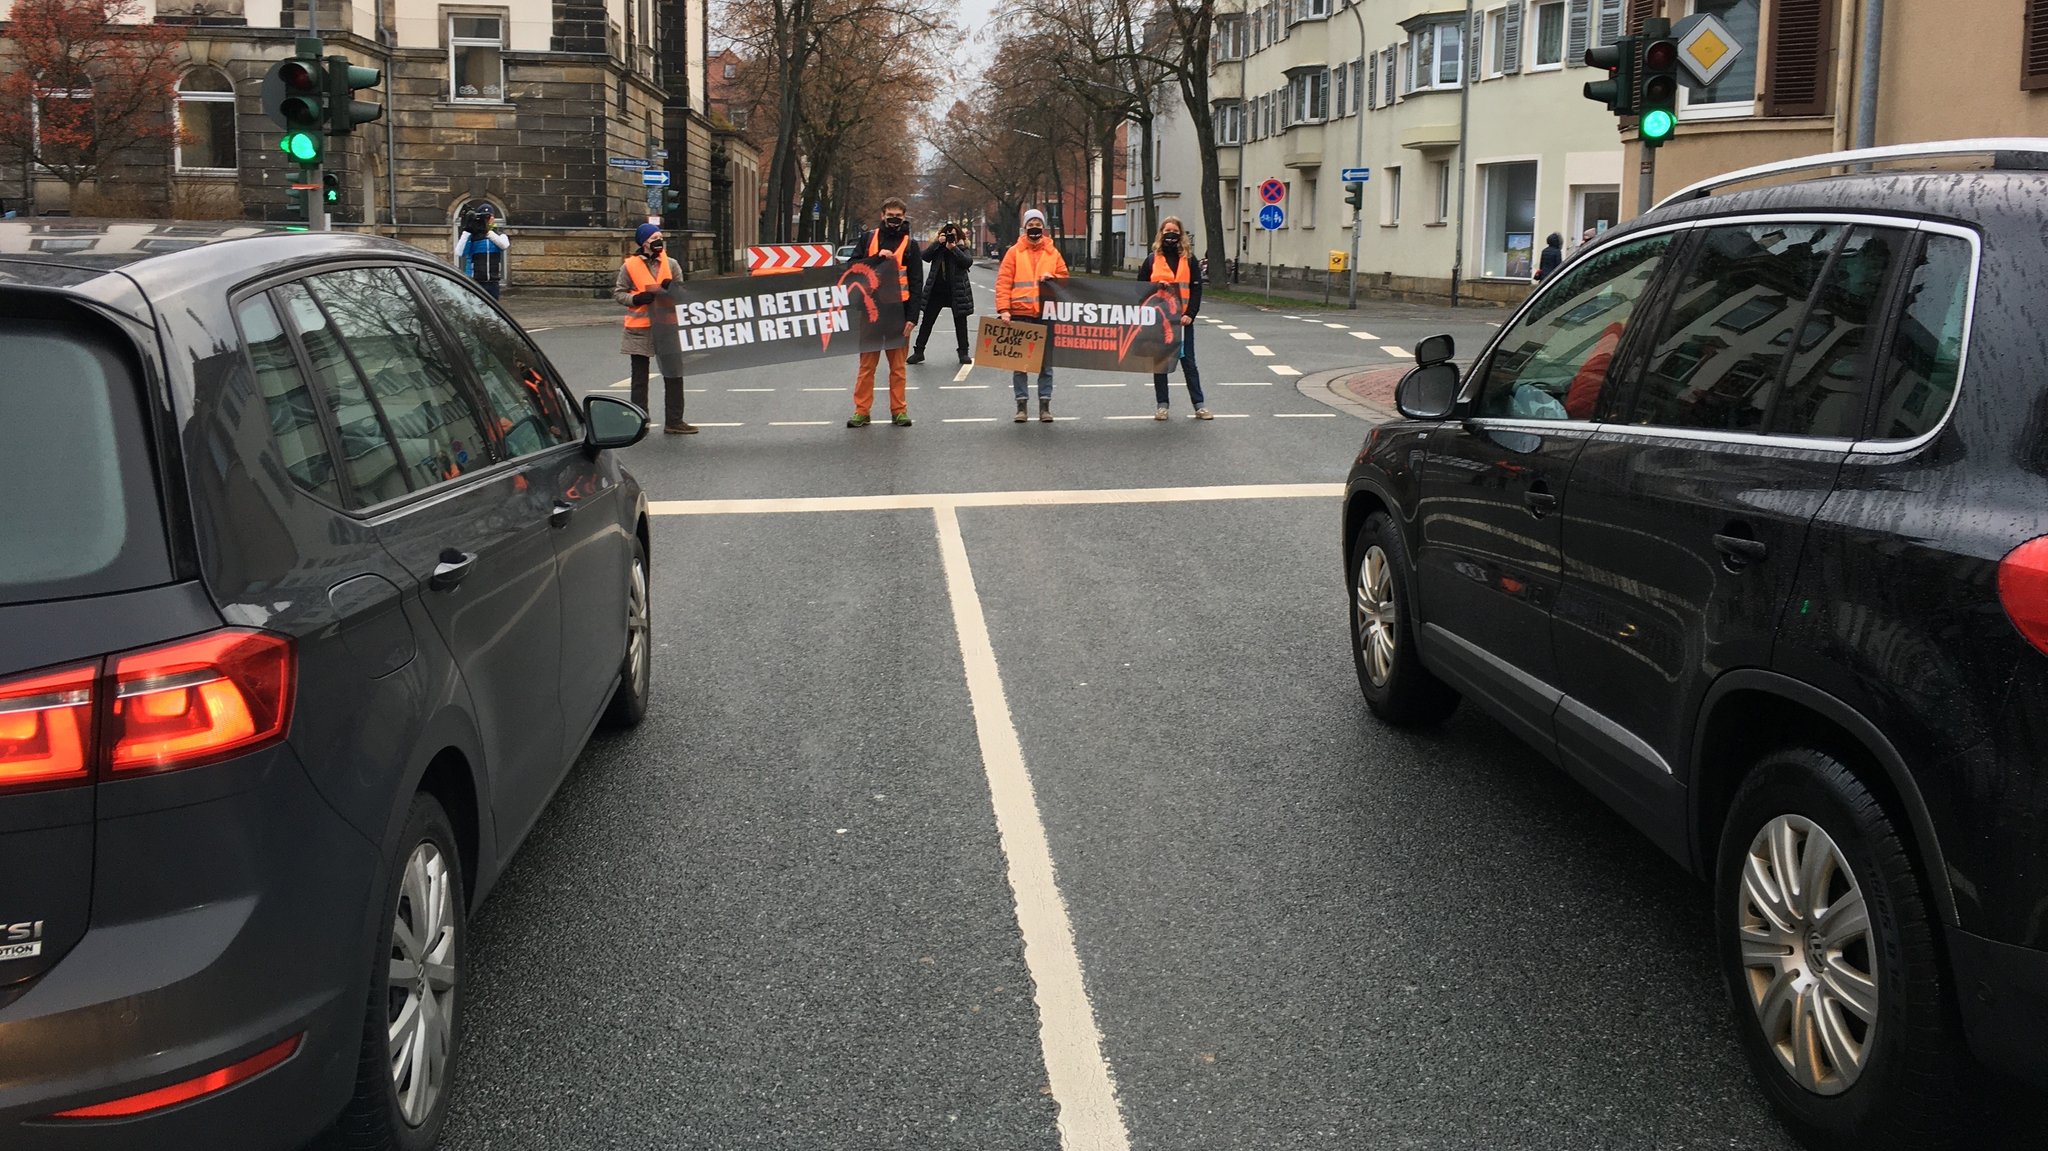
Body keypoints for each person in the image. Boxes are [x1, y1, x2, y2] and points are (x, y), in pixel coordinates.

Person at [847, 197, 924, 428]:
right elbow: (852, 268)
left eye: (898, 217)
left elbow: (916, 283)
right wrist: (876, 258)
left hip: (898, 315)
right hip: (871, 312)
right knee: (866, 366)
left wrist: (912, 318)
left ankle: (899, 411)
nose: (893, 220)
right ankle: (861, 411)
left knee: (898, 367)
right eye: (890, 216)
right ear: (882, 215)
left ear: (904, 217)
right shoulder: (867, 239)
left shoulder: (911, 245)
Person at [612, 223, 695, 434]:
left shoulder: (672, 264)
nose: (658, 240)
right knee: (639, 378)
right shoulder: (629, 266)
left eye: (660, 236)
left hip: (667, 327)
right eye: (653, 237)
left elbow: (683, 294)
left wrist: (672, 288)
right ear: (643, 242)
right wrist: (636, 298)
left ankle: (675, 421)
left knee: (674, 374)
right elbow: (619, 293)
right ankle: (639, 421)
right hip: (639, 328)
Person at [995, 208, 1069, 423]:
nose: (1034, 226)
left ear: (1043, 227)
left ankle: (1045, 407)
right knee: (1021, 364)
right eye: (1031, 223)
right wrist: (1004, 310)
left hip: (1045, 314)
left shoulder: (1053, 253)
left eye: (1038, 223)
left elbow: (1065, 279)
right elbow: (1003, 283)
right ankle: (1021, 406)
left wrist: (1053, 277)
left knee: (1046, 364)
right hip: (1020, 314)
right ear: (1024, 227)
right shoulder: (1013, 252)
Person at [1136, 216, 1210, 421]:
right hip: (1160, 321)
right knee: (1160, 363)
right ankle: (1162, 406)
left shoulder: (1189, 259)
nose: (1171, 234)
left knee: (1189, 363)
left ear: (1181, 234)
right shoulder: (1152, 260)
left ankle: (1199, 405)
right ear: (1161, 233)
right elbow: (1140, 289)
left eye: (1175, 231)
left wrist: (1190, 314)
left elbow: (1196, 289)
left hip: (1183, 322)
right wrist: (1154, 287)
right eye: (1167, 230)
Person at [909, 221, 974, 366]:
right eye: (948, 235)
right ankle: (918, 351)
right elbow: (925, 256)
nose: (951, 237)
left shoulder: (962, 247)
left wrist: (954, 248)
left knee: (961, 323)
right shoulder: (938, 248)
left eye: (954, 235)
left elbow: (967, 262)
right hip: (937, 291)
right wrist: (938, 244)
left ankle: (963, 352)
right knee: (927, 322)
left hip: (956, 291)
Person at [454, 204, 510, 299]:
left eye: (489, 216)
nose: (487, 220)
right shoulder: (472, 236)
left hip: (493, 282)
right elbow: (459, 252)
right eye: (484, 217)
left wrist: (487, 232)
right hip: (475, 281)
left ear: (493, 218)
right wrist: (467, 231)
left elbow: (504, 245)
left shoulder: (498, 234)